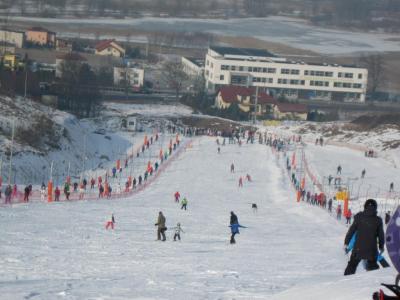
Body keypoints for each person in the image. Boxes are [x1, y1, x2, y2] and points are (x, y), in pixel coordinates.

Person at [344, 199, 385, 276]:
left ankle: (345, 282)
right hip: (371, 249)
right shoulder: (378, 220)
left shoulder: (359, 217)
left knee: (352, 265)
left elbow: (351, 231)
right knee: (373, 267)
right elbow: (381, 235)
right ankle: (372, 282)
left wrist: (346, 243)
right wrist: (381, 246)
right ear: (375, 207)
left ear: (365, 206)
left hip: (358, 249)